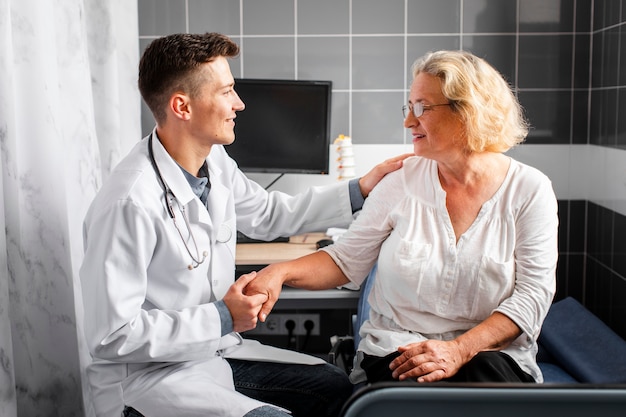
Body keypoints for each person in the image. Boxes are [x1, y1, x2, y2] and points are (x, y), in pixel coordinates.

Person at [79, 32, 410, 417]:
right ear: (182, 106)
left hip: (213, 352)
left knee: (336, 388)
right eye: (227, 91)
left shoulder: (214, 162)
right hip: (148, 377)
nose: (239, 103)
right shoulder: (128, 201)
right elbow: (111, 336)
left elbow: (269, 213)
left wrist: (359, 189)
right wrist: (222, 316)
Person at [247, 50, 559, 386]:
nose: (409, 121)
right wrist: (279, 272)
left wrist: (458, 349)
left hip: (489, 355)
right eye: (408, 107)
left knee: (483, 393)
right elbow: (345, 260)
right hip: (398, 349)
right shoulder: (401, 181)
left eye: (422, 107)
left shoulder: (529, 190)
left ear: (468, 111)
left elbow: (533, 297)